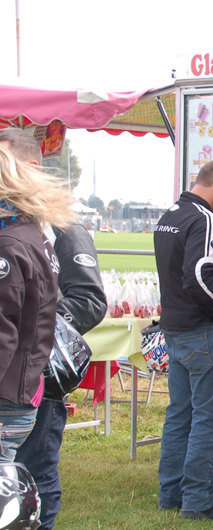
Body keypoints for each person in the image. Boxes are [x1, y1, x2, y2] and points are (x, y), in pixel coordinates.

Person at [0, 128, 107, 530]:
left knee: (37, 470)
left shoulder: (62, 227)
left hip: (37, 372)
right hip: (18, 370)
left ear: (25, 167)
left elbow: (91, 300)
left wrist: (42, 326)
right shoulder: (13, 226)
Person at [153, 159, 213, 521]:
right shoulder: (205, 219)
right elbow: (197, 274)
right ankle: (199, 500)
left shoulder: (170, 215)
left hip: (174, 329)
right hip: (203, 331)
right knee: (209, 417)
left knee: (179, 414)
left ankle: (170, 492)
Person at [0, 144, 73, 464]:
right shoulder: (31, 235)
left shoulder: (11, 244)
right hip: (21, 388)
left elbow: (4, 331)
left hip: (9, 395)